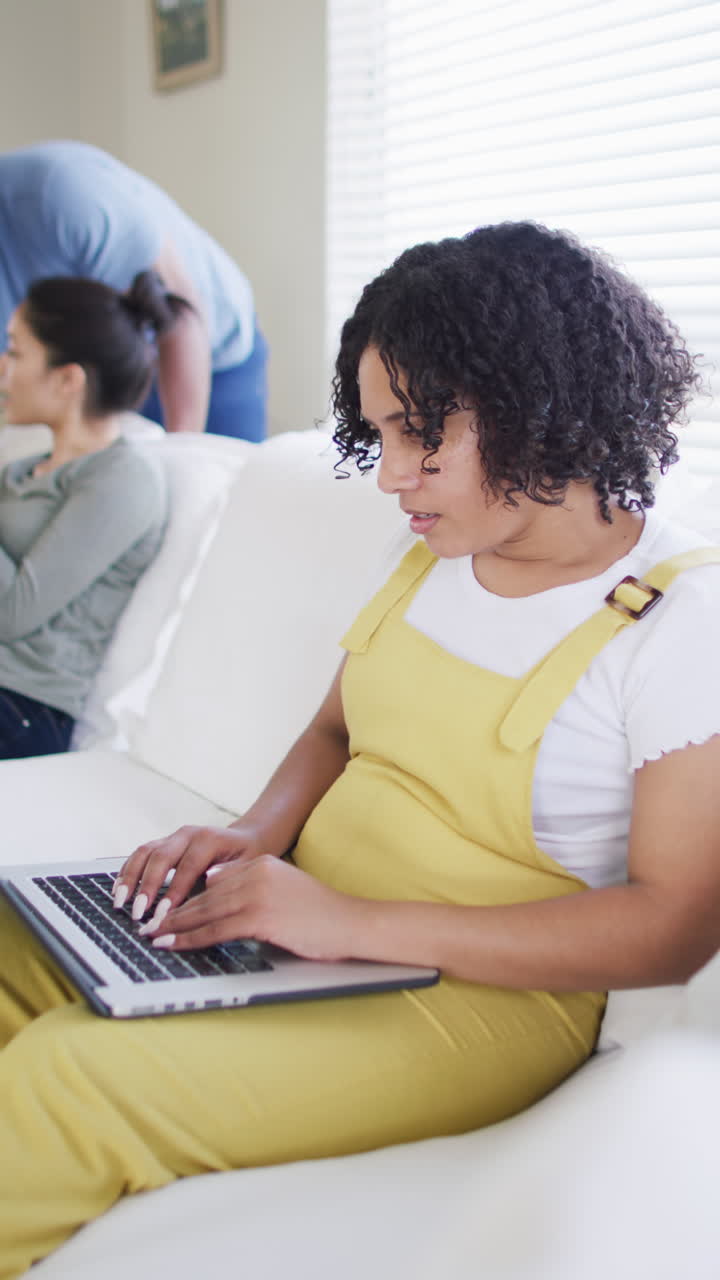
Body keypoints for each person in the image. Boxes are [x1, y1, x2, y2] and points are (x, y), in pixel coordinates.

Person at [1, 221, 720, 1277]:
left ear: (543, 406)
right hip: (303, 917)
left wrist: (344, 920)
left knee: (70, 1076)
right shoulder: (433, 549)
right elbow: (337, 726)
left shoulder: (680, 617)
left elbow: (670, 929)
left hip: (478, 999)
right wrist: (247, 835)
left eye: (420, 434)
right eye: (377, 432)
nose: (391, 477)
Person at [0, 271, 173, 761]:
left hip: (22, 708)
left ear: (67, 379)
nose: (2, 368)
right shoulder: (19, 471)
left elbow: (11, 614)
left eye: (15, 352)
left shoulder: (123, 479)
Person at [0, 139, 267, 440]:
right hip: (102, 379)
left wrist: (179, 449)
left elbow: (178, 314)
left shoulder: (61, 194)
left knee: (203, 474)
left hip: (208, 351)